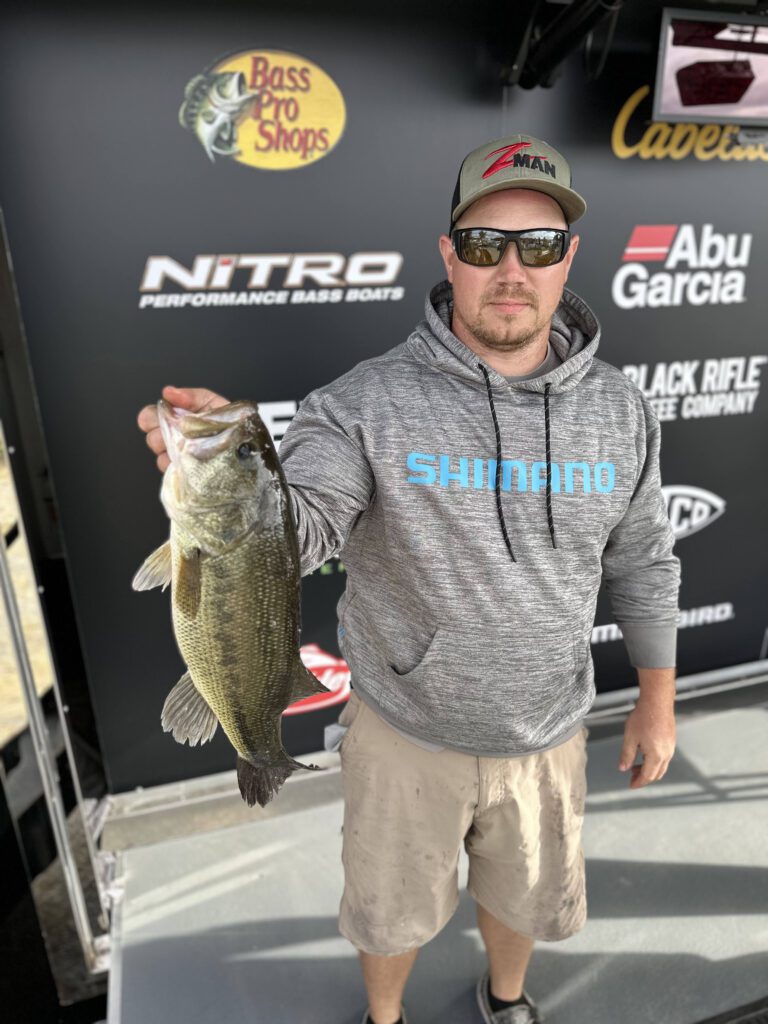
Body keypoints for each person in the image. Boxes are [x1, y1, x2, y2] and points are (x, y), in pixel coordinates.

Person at [137, 132, 680, 1024]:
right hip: (403, 734)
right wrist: (231, 495)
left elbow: (646, 559)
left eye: (538, 245)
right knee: (389, 916)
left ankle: (506, 1000)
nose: (511, 269)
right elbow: (305, 525)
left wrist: (657, 700)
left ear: (569, 257)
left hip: (548, 733)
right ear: (449, 256)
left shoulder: (622, 409)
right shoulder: (360, 403)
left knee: (521, 902)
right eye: (484, 244)